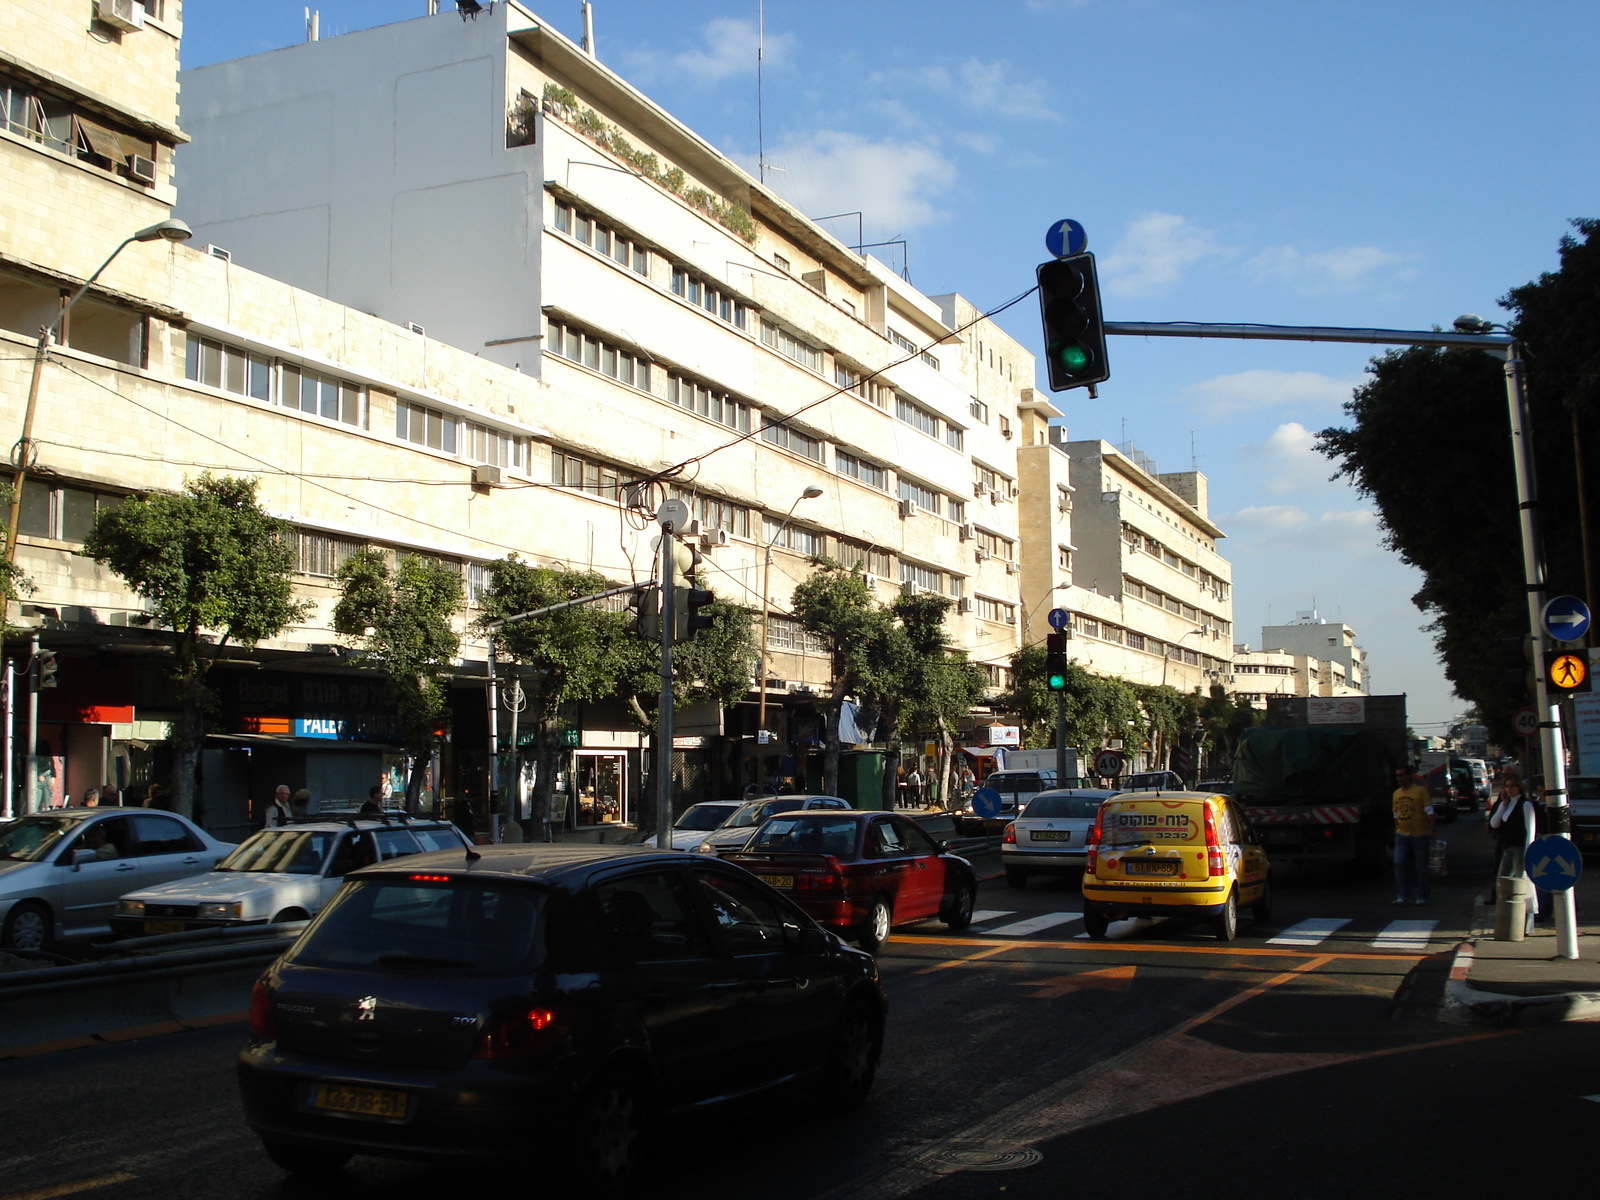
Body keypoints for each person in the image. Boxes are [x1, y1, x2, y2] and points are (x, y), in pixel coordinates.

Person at [1391, 765, 1435, 905]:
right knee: (1399, 862)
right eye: (1397, 775)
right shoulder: (1396, 793)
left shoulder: (1420, 791)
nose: (1399, 778)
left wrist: (1432, 829)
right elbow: (1395, 813)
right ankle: (1403, 896)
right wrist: (1397, 827)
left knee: (1421, 866)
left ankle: (1422, 896)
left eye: (1402, 775)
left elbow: (1429, 810)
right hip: (1402, 834)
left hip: (1419, 834)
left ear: (1409, 776)